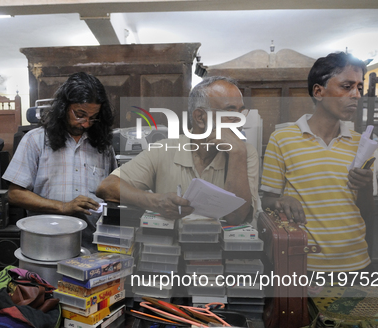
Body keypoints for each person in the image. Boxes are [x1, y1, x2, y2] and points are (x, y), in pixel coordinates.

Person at [260, 52, 374, 272]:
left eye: (360, 87)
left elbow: (367, 211)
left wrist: (367, 186)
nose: (356, 95)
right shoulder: (283, 140)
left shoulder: (362, 144)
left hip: (356, 261)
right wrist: (282, 201)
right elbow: (267, 201)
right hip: (304, 262)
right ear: (318, 92)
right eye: (346, 86)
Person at [96, 76, 259, 225]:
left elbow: (236, 217)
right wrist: (155, 201)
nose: (240, 120)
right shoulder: (164, 149)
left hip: (219, 253)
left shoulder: (245, 153)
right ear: (200, 118)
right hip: (169, 251)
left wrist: (237, 154)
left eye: (241, 111)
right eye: (231, 111)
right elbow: (107, 187)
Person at [2, 72, 117, 250]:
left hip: (92, 246)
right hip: (46, 245)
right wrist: (63, 207)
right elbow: (14, 194)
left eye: (93, 117)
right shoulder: (35, 140)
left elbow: (112, 194)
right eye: (80, 114)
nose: (86, 123)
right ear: (64, 107)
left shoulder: (103, 146)